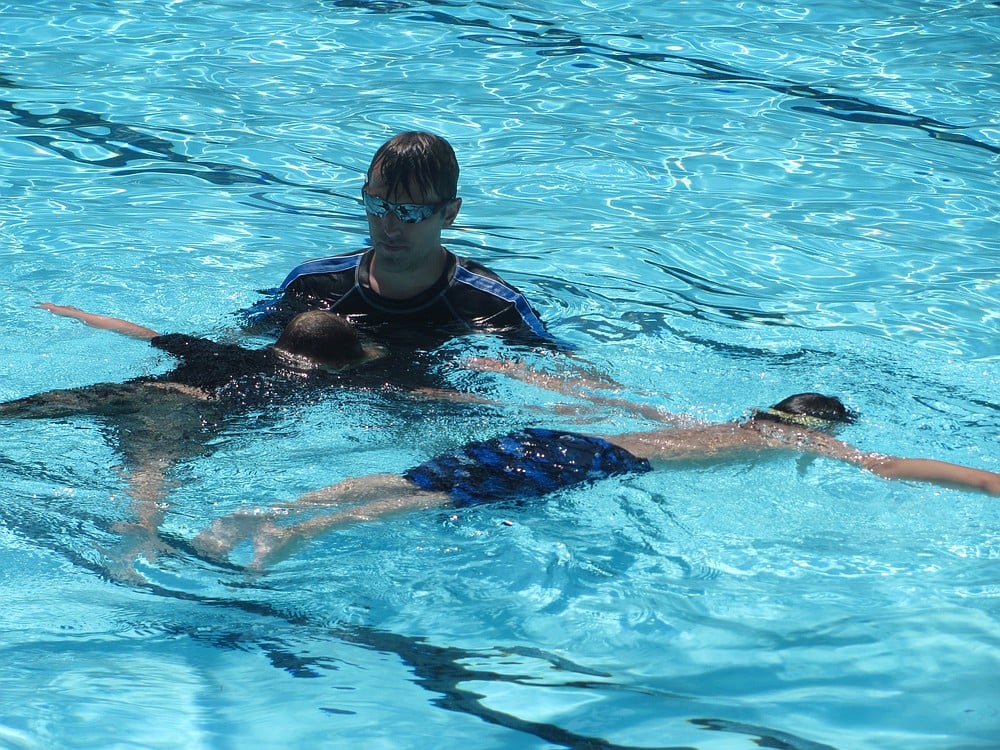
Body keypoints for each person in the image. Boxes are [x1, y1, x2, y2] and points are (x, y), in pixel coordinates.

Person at [194, 392, 1000, 568]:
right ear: (817, 425)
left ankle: (267, 509)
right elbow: (890, 467)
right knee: (439, 498)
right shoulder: (796, 440)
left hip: (558, 434)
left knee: (416, 475)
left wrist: (498, 368)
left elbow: (601, 397)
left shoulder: (710, 418)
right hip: (592, 460)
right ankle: (289, 536)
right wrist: (989, 483)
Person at [241, 131, 550, 345]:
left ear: (450, 214)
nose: (389, 226)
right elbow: (240, 347)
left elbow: (563, 379)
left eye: (410, 212)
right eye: (378, 206)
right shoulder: (313, 285)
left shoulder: (494, 305)